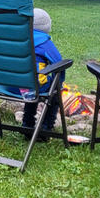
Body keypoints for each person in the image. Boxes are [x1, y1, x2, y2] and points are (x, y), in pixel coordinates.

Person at [22, 8, 65, 136]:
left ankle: (27, 125)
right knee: (53, 90)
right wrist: (60, 83)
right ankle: (46, 129)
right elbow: (59, 64)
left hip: (9, 85)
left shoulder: (17, 38)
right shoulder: (44, 42)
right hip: (33, 86)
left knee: (30, 83)